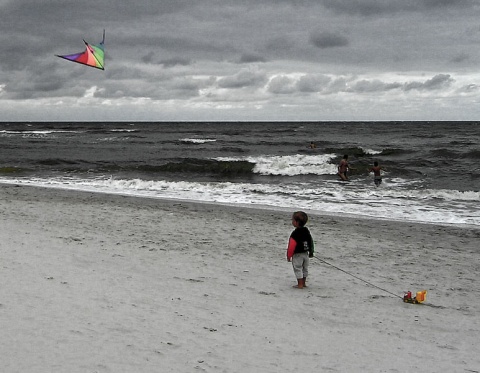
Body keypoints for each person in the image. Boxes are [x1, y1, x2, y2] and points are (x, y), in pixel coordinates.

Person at [286, 211, 315, 289]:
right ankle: (304, 283)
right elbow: (311, 242)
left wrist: (289, 256)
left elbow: (291, 246)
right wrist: (311, 251)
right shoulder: (306, 231)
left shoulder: (295, 233)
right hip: (305, 253)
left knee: (298, 268)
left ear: (296, 222)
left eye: (292, 220)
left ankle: (300, 284)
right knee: (305, 269)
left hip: (298, 254)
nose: (292, 221)